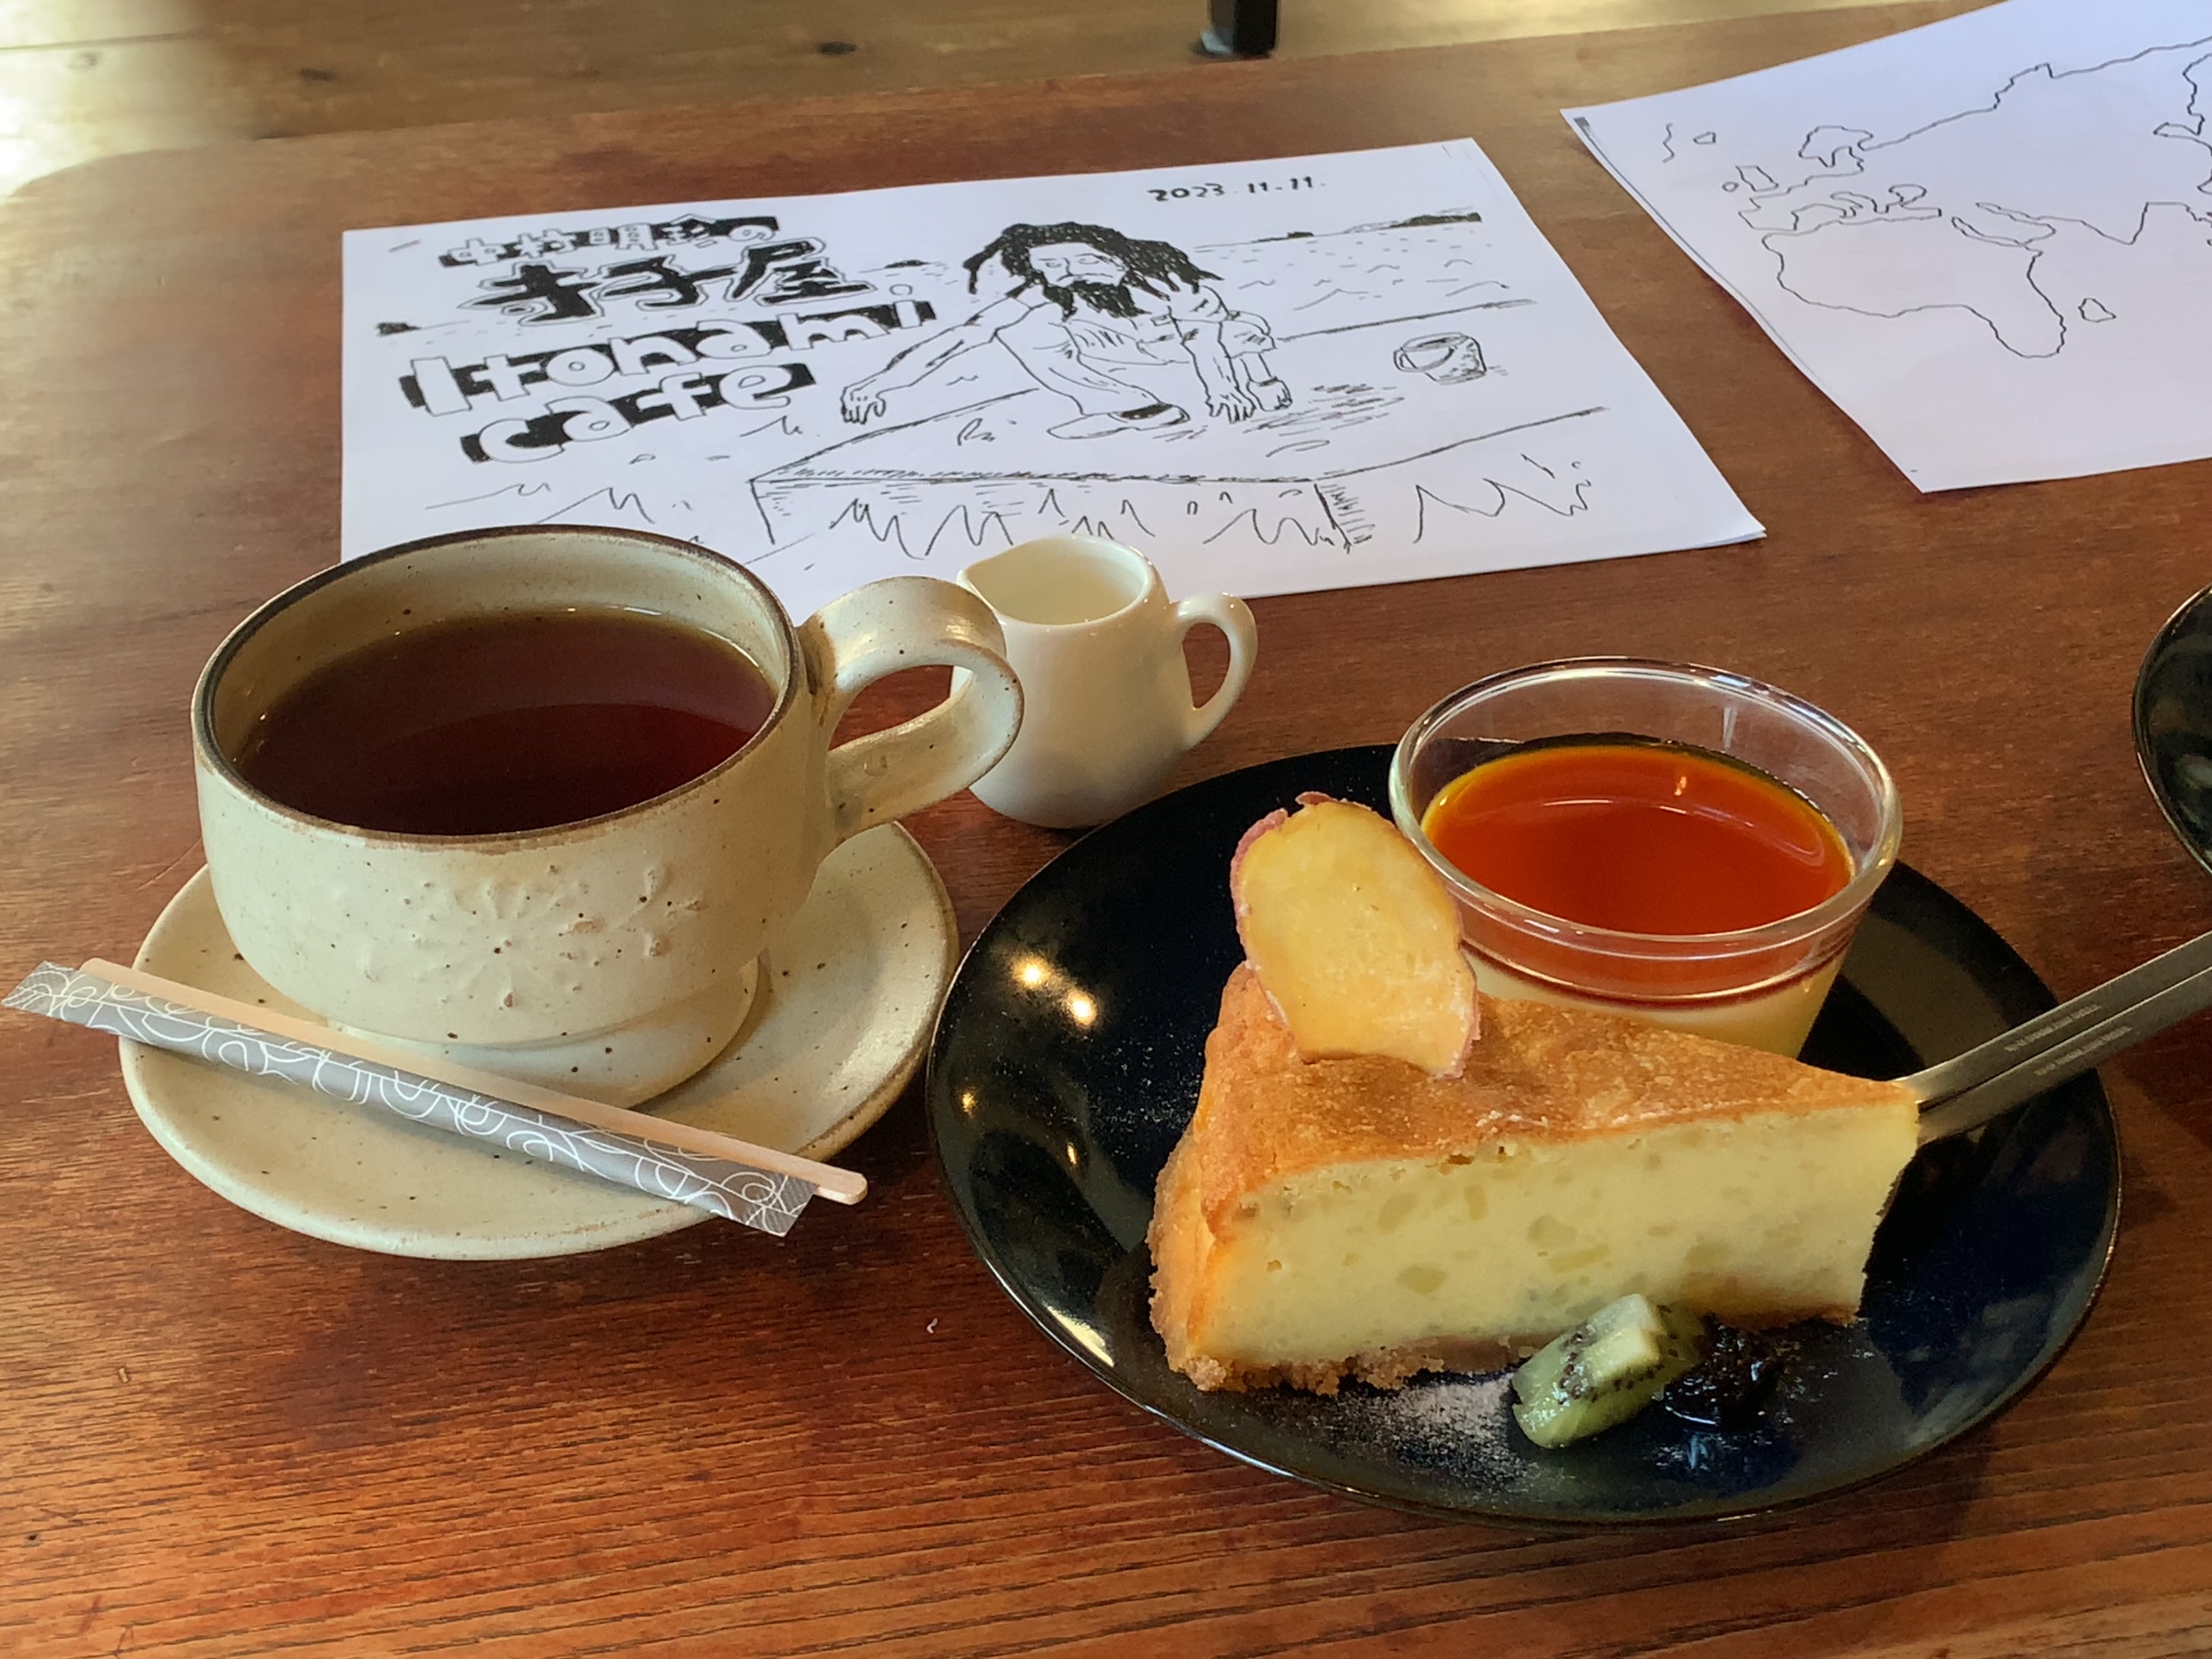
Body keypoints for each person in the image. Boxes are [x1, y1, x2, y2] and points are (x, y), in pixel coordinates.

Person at [839, 222, 1291, 438]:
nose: (1067, 273)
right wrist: (880, 382)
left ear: (1113, 253)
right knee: (1015, 329)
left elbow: (1204, 338)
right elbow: (966, 335)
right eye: (1051, 267)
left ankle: (1263, 379)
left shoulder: (1166, 277)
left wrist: (1227, 389)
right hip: (1120, 348)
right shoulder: (1049, 291)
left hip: (1190, 345)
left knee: (1240, 329)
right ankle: (1130, 407)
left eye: (1079, 261)